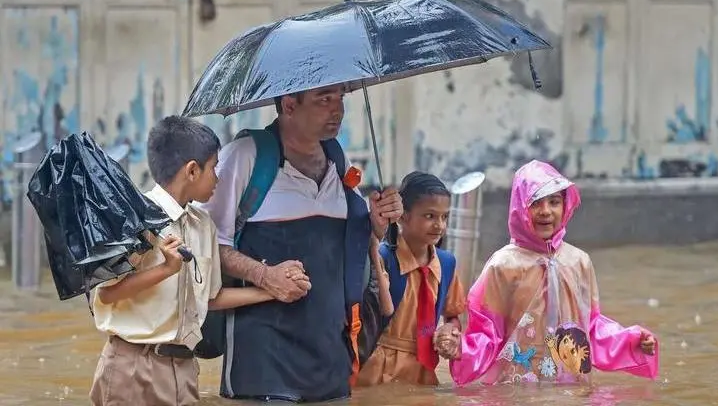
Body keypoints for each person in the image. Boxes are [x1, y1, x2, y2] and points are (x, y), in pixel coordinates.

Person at [199, 84, 403, 402]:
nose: (338, 110)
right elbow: (207, 245)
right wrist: (265, 276)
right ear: (290, 104)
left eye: (340, 99)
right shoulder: (246, 156)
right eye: (324, 100)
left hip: (330, 359)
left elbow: (347, 248)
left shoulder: (337, 157)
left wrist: (377, 223)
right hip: (263, 364)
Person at [88, 116, 302, 405]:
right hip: (133, 367)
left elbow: (211, 298)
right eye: (214, 168)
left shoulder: (203, 225)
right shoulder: (135, 220)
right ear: (191, 171)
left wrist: (272, 289)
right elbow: (106, 295)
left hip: (185, 370)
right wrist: (165, 269)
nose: (218, 177)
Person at [434, 160, 659, 386]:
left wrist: (631, 341)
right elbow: (487, 331)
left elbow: (591, 327)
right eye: (535, 203)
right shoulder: (503, 265)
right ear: (520, 208)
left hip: (570, 385)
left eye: (554, 202)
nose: (546, 212)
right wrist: (460, 348)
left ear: (566, 206)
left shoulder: (578, 262)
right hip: (515, 387)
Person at [356, 171, 466, 386]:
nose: (439, 225)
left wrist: (449, 331)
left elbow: (452, 315)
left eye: (445, 217)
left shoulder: (446, 264)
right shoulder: (382, 258)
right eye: (429, 216)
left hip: (423, 372)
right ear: (403, 216)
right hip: (378, 371)